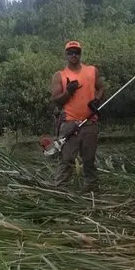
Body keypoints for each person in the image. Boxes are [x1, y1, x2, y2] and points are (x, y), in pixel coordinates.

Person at [51, 40, 105, 193]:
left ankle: (91, 187)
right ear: (66, 55)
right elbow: (56, 100)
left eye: (77, 52)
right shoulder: (59, 76)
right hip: (69, 123)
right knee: (66, 158)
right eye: (70, 52)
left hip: (90, 122)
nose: (74, 55)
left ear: (80, 54)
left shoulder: (92, 71)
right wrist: (68, 92)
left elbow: (101, 88)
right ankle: (60, 188)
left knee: (89, 158)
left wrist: (97, 100)